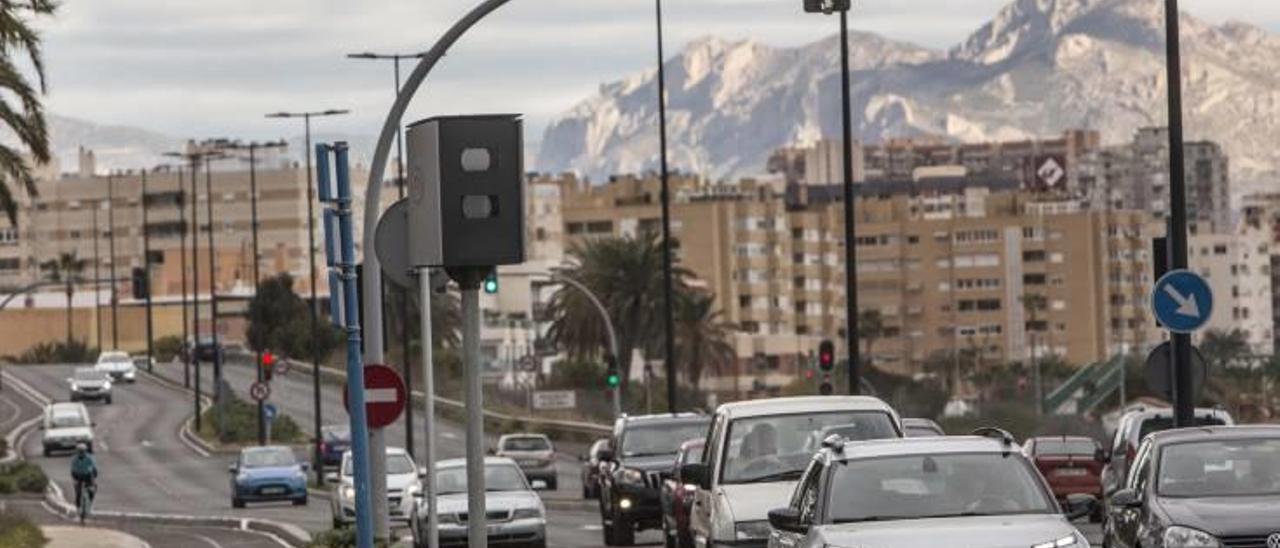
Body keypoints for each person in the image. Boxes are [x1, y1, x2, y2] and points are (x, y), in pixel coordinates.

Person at [70, 443, 98, 512]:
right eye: (79, 451)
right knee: (78, 492)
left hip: (87, 475)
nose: (81, 453)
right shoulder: (74, 459)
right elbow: (73, 470)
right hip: (78, 475)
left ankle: (90, 503)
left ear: (85, 451)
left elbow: (93, 467)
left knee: (92, 489)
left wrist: (93, 478)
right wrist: (75, 480)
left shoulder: (89, 458)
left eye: (83, 451)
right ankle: (78, 507)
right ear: (77, 451)